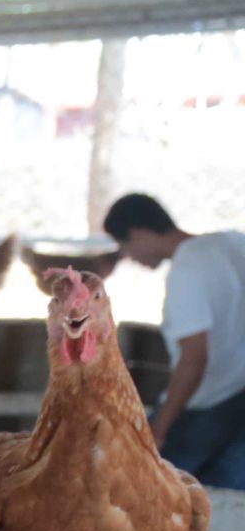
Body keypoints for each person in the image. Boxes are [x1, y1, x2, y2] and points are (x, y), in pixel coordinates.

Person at [103, 193, 245, 491]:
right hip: (239, 392)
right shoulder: (232, 244)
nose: (130, 256)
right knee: (226, 495)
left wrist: (161, 427)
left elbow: (194, 359)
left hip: (206, 403)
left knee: (140, 488)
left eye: (126, 246)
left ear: (138, 233)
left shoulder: (187, 271)